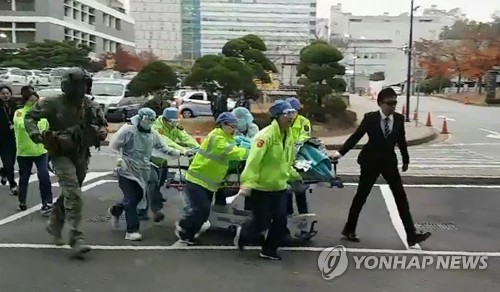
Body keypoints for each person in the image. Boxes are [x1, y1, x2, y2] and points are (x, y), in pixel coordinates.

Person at [330, 87, 431, 247]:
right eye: (389, 103)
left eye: (395, 103)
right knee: (361, 197)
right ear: (380, 103)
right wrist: (340, 153)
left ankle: (411, 235)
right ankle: (349, 229)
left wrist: (405, 159)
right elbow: (356, 136)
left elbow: (401, 140)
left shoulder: (398, 119)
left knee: (401, 198)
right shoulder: (370, 118)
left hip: (389, 162)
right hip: (370, 162)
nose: (392, 106)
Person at [24, 67, 108, 258]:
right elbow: (30, 117)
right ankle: (76, 237)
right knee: (74, 194)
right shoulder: (53, 103)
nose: (81, 89)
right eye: (78, 85)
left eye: (84, 85)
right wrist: (36, 135)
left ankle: (54, 224)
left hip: (81, 153)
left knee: (71, 192)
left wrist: (101, 131)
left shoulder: (89, 105)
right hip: (60, 153)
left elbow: (103, 123)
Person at [108, 108, 193, 241]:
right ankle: (132, 230)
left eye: (151, 120)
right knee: (132, 198)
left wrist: (182, 153)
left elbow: (164, 148)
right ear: (140, 118)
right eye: (147, 119)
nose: (149, 122)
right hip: (126, 169)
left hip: (143, 169)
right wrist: (119, 160)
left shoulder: (153, 134)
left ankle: (117, 209)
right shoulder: (128, 130)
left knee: (138, 196)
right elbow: (114, 146)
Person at [233, 99, 301, 260]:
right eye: (287, 114)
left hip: (279, 187)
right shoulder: (264, 137)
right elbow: (253, 162)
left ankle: (268, 250)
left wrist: (295, 176)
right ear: (277, 116)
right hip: (261, 187)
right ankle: (244, 234)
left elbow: (286, 162)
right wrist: (247, 183)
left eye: (293, 113)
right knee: (261, 221)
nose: (291, 117)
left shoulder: (288, 136)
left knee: (280, 221)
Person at [175, 112, 249, 245]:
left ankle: (188, 236)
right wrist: (250, 152)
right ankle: (184, 225)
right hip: (197, 179)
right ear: (222, 125)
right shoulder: (216, 137)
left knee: (204, 212)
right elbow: (231, 152)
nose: (234, 129)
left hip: (208, 182)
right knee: (201, 208)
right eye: (232, 126)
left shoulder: (227, 137)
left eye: (235, 127)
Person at [13, 90, 53, 214]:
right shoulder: (19, 113)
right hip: (24, 152)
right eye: (31, 101)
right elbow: (20, 124)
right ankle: (22, 201)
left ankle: (47, 202)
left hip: (41, 151)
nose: (34, 103)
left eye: (36, 101)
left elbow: (47, 128)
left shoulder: (42, 115)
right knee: (24, 177)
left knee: (44, 176)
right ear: (25, 101)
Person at [285, 97, 311, 215]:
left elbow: (305, 135)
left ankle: (303, 216)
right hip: (285, 157)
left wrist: (296, 145)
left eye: (294, 111)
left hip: (299, 157)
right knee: (286, 191)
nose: (292, 114)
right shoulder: (283, 120)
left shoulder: (303, 121)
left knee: (300, 190)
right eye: (290, 111)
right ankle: (288, 216)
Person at [0, 85, 19, 195]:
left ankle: (4, 172)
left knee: (10, 163)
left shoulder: (15, 105)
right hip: (1, 138)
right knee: (8, 163)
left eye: (7, 93)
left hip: (12, 139)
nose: (5, 95)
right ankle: (13, 185)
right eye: (3, 93)